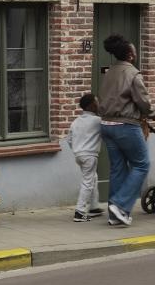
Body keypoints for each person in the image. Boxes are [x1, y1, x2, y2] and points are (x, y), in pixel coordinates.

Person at [98, 33, 152, 227]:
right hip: (125, 125)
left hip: (105, 125)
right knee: (142, 164)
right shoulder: (133, 73)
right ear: (130, 54)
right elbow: (143, 101)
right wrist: (151, 114)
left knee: (118, 168)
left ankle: (115, 215)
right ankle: (120, 205)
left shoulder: (110, 72)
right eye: (134, 50)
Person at [65, 92, 104, 221]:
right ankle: (80, 212)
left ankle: (93, 207)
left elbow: (69, 139)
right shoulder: (98, 121)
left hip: (79, 155)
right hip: (90, 155)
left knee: (93, 177)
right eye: (97, 102)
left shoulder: (76, 121)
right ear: (92, 106)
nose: (99, 104)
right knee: (87, 182)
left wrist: (77, 150)